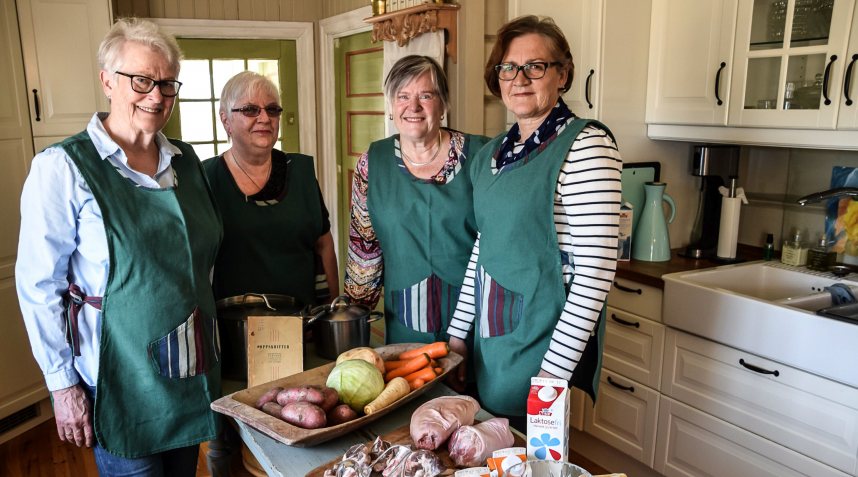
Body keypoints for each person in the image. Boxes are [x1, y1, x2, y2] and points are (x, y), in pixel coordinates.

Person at [15, 18, 222, 477]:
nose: (157, 95)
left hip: (185, 365)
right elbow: (38, 287)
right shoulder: (62, 168)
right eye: (142, 80)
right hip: (118, 375)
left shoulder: (186, 161)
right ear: (107, 80)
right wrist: (63, 387)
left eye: (167, 83)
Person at [445, 16, 622, 418]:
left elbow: (595, 274)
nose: (520, 79)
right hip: (491, 341)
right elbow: (483, 247)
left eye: (535, 66)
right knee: (486, 449)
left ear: (563, 74)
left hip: (545, 345)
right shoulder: (491, 156)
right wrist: (458, 338)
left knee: (531, 457)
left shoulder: (586, 147)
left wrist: (551, 378)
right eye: (508, 67)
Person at [344, 55, 489, 390]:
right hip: (406, 323)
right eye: (403, 96)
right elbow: (364, 251)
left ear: (443, 104)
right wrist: (352, 326)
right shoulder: (371, 163)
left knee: (475, 409)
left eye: (426, 95)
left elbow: (498, 242)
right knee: (410, 405)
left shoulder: (481, 157)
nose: (414, 106)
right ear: (391, 106)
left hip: (475, 321)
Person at [205, 71, 338, 311]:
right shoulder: (206, 178)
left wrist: (331, 312)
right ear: (226, 121)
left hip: (303, 320)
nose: (265, 118)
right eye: (250, 110)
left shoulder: (301, 171)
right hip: (236, 324)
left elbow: (323, 243)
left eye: (272, 109)